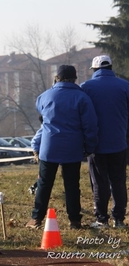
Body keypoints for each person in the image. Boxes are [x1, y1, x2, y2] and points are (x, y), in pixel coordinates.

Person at [25, 65, 98, 230]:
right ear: (75, 78)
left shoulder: (45, 96)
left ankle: (36, 218)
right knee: (72, 185)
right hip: (72, 148)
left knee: (44, 184)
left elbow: (40, 111)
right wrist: (89, 146)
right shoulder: (82, 98)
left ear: (56, 78)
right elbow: (90, 126)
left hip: (49, 147)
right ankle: (74, 220)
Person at [80, 55, 129, 229]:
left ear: (94, 70)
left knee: (99, 182)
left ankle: (102, 219)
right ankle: (119, 219)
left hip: (96, 145)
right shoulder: (125, 86)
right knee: (118, 181)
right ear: (111, 68)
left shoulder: (86, 87)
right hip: (119, 143)